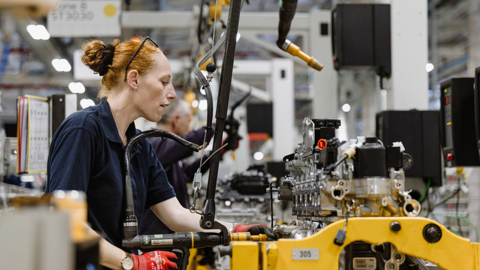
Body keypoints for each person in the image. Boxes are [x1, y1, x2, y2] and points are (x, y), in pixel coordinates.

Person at [45, 37, 275, 270]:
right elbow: (64, 221)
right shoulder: (83, 129)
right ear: (134, 79)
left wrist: (235, 229)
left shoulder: (140, 145)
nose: (173, 93)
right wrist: (131, 262)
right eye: (164, 82)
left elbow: (175, 214)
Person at [139, 99, 212, 235]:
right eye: (189, 122)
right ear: (176, 120)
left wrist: (217, 153)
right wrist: (213, 128)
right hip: (158, 236)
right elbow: (190, 142)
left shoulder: (169, 153)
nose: (190, 129)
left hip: (173, 233)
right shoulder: (154, 144)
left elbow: (188, 173)